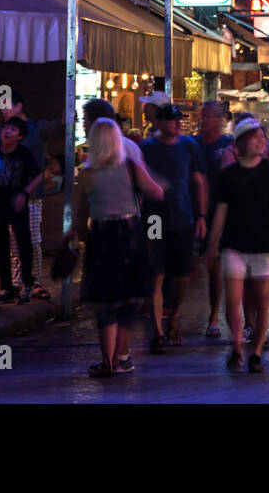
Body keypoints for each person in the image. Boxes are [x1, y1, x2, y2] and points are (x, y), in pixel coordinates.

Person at [69, 118, 163, 377]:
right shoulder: (131, 167)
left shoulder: (86, 175)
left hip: (102, 234)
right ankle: (122, 356)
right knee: (127, 299)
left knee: (105, 300)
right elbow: (157, 192)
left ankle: (108, 361)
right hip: (129, 232)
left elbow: (79, 215)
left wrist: (87, 237)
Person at [206, 118, 269, 373]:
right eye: (254, 137)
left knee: (263, 299)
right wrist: (213, 244)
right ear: (240, 143)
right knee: (233, 301)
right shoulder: (228, 176)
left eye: (261, 137)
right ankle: (236, 346)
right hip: (234, 244)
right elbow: (221, 211)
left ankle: (255, 351)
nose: (260, 141)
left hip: (264, 244)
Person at [139, 103, 208, 353]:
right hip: (154, 218)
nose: (177, 124)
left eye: (179, 120)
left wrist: (201, 215)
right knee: (156, 271)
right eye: (172, 120)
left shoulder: (188, 146)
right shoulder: (146, 148)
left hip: (182, 217)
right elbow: (137, 182)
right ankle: (158, 331)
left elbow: (198, 181)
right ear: (159, 122)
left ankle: (174, 316)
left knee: (181, 274)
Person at [0, 117, 43, 304]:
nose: (7, 131)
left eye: (13, 129)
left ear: (20, 136)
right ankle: (7, 287)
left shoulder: (24, 154)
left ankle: (27, 284)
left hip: (17, 204)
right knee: (1, 246)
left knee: (23, 243)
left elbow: (38, 175)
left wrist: (24, 193)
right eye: (6, 127)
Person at [196, 101, 234, 338]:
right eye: (203, 116)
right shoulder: (192, 143)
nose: (204, 121)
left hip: (220, 209)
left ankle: (214, 316)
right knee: (191, 263)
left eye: (208, 116)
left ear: (220, 119)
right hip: (194, 209)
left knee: (216, 266)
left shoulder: (228, 144)